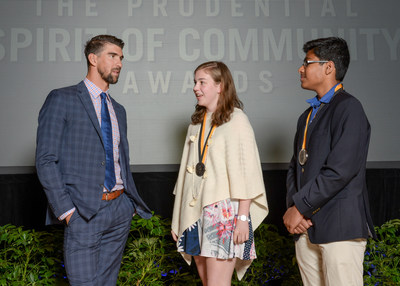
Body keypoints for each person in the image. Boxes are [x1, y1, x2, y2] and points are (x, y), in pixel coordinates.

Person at [35, 34, 151, 286]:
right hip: (84, 212)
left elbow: (119, 160)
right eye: (112, 56)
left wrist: (128, 205)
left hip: (119, 210)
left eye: (121, 57)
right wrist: (67, 212)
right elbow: (46, 160)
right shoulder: (62, 99)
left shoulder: (118, 109)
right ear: (92, 58)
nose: (119, 62)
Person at [283, 37, 376, 286]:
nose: (301, 69)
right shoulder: (307, 116)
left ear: (329, 67)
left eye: (307, 62)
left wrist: (298, 207)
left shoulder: (349, 108)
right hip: (306, 229)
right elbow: (295, 167)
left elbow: (339, 171)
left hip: (340, 227)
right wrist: (295, 209)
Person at [171, 61, 269, 285]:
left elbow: (247, 173)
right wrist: (179, 220)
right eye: (195, 82)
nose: (196, 87)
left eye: (202, 82)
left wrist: (243, 218)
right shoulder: (195, 124)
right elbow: (185, 178)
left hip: (224, 214)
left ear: (220, 86)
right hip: (195, 212)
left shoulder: (237, 120)